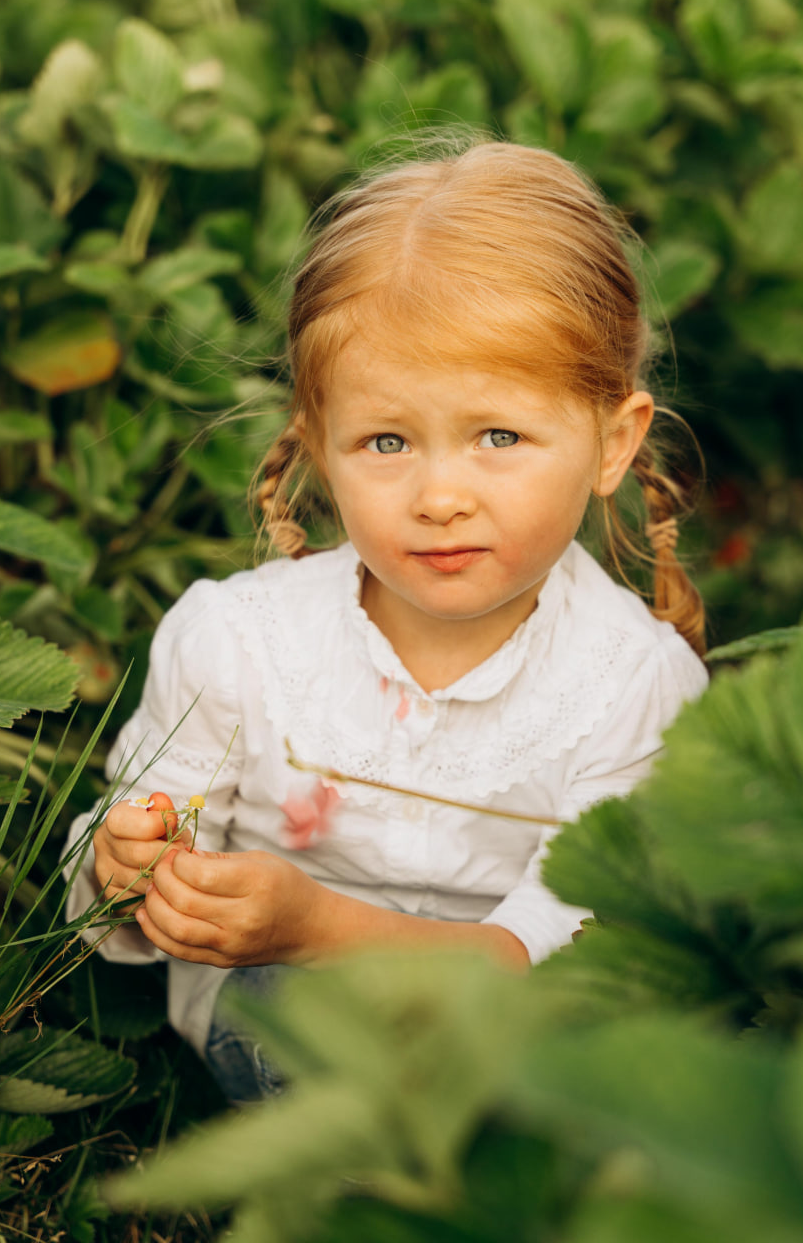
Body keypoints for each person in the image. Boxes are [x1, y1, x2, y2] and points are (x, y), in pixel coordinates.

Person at [64, 140, 708, 1103]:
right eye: (385, 440)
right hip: (281, 998)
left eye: (498, 436)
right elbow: (115, 878)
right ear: (318, 447)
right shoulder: (237, 642)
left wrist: (320, 924)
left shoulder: (633, 681)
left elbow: (562, 955)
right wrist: (131, 863)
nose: (439, 495)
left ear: (611, 443)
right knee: (301, 1021)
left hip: (510, 1008)